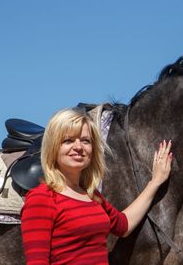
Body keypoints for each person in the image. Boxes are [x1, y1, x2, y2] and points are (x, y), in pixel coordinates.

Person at [20, 106, 173, 265]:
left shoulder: (91, 196)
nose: (78, 147)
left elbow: (123, 225)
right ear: (53, 148)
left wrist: (155, 181)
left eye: (85, 141)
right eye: (68, 140)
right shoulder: (42, 198)